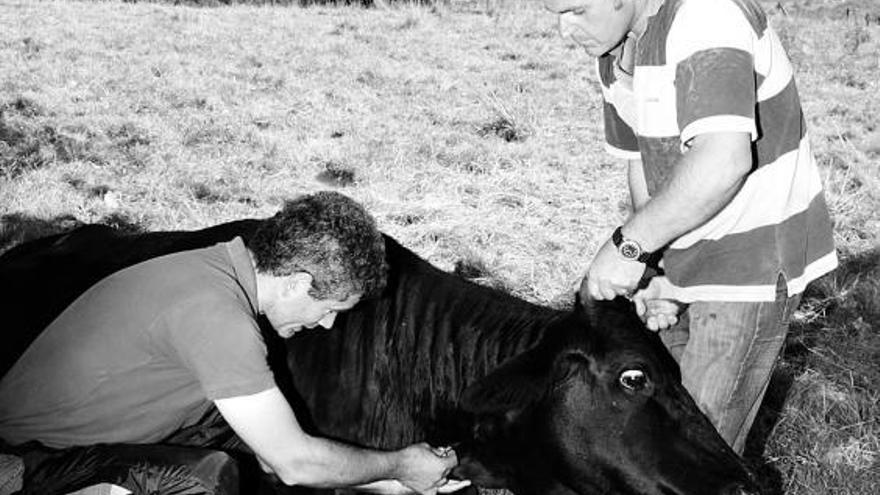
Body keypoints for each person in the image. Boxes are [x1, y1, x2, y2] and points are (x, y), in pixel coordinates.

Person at [0, 191, 464, 494]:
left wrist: (385, 482)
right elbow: (294, 462)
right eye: (332, 309)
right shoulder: (217, 318)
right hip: (31, 460)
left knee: (244, 448)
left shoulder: (218, 270)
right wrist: (400, 464)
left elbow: (266, 447)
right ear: (299, 283)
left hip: (101, 429)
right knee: (204, 481)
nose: (326, 326)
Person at [543, 0, 838, 453]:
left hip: (749, 263)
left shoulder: (706, 15)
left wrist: (629, 247)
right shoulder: (616, 51)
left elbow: (724, 160)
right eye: (556, 14)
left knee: (696, 456)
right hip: (683, 253)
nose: (565, 31)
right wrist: (653, 267)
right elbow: (643, 163)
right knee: (659, 429)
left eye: (576, 10)